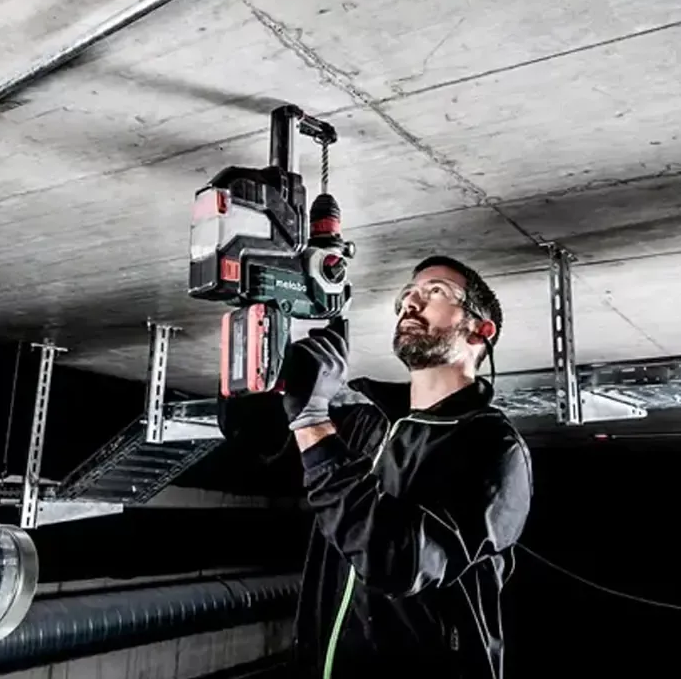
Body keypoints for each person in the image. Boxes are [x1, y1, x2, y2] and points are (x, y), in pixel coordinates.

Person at [218, 255, 533, 679]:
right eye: (407, 296)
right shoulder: (367, 422)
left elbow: (399, 562)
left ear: (481, 329)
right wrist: (254, 335)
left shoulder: (494, 448)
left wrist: (312, 421)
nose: (411, 303)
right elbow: (253, 439)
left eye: (435, 292)